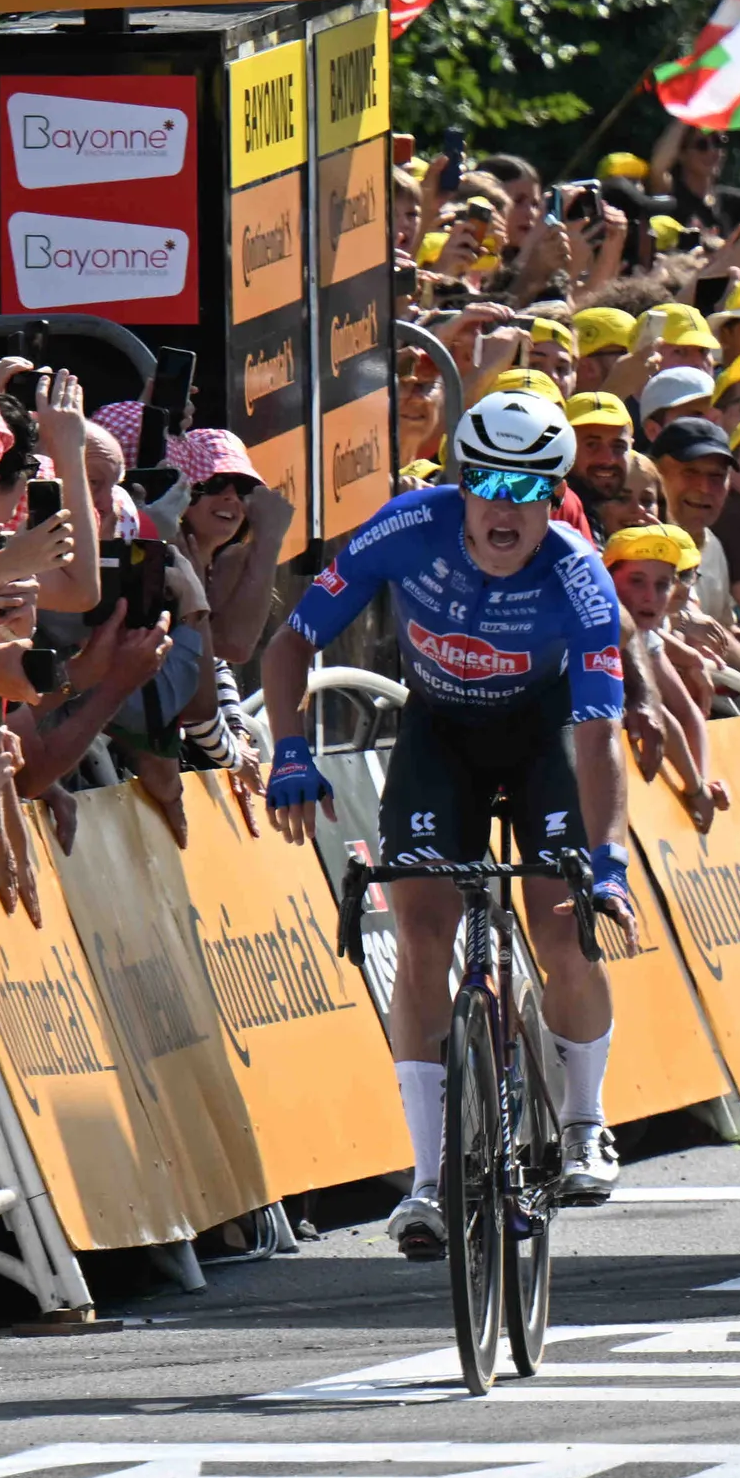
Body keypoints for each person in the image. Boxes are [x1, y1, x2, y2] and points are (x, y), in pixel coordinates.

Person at [259, 388, 635, 1244]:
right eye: (490, 486)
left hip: (542, 740)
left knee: (561, 919)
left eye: (532, 490)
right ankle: (427, 1177)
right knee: (424, 932)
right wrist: (289, 749)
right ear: (461, 484)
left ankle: (585, 1121)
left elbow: (600, 733)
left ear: (555, 497)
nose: (507, 508)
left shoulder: (578, 575)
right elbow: (292, 642)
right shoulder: (406, 527)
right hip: (439, 735)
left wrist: (605, 860)